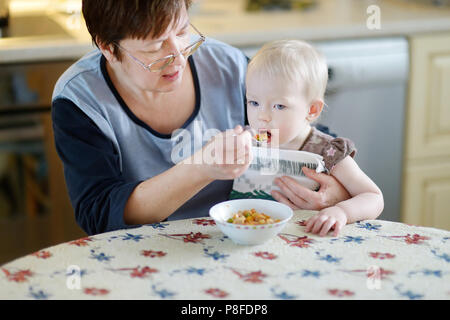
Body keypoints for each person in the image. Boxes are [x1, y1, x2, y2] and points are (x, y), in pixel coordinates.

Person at [51, 0, 350, 236]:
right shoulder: (81, 101)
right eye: (156, 47)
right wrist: (201, 168)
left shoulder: (228, 67)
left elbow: (304, 134)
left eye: (182, 32)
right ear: (108, 48)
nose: (180, 57)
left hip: (245, 237)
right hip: (141, 257)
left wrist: (331, 190)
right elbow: (100, 212)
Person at [232, 40, 384, 236]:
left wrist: (341, 211)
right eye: (253, 102)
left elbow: (373, 196)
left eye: (279, 106)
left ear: (311, 110)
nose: (261, 116)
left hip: (308, 241)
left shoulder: (327, 151)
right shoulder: (246, 140)